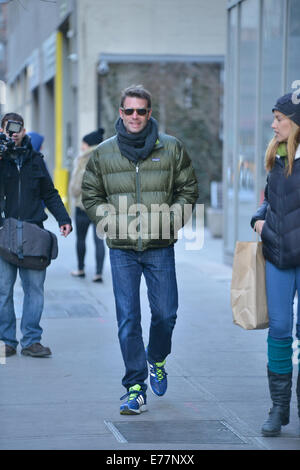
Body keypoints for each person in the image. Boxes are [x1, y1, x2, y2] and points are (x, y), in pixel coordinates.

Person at [82, 85, 198, 414]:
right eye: (129, 111)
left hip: (160, 246)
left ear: (150, 113)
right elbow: (90, 195)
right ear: (121, 113)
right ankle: (135, 386)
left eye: (141, 111)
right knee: (128, 318)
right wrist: (114, 224)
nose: (135, 117)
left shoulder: (171, 148)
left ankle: (156, 358)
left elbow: (188, 189)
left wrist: (170, 221)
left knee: (165, 314)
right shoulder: (103, 153)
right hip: (121, 249)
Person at [0, 112, 72, 358]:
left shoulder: (35, 159)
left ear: (24, 131)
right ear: (1, 130)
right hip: (3, 233)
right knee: (3, 290)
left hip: (33, 232)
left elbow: (49, 192)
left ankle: (31, 340)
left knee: (34, 290)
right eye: (9, 129)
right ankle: (6, 341)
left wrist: (63, 219)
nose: (13, 133)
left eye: (17, 129)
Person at [251, 92, 300, 437]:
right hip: (279, 257)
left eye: (280, 118)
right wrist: (258, 221)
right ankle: (279, 408)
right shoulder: (277, 157)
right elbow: (268, 201)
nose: (273, 124)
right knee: (279, 330)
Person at [69, 129, 105, 282]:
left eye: (83, 143)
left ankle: (80, 269)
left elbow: (76, 187)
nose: (82, 146)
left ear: (89, 144)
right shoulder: (106, 157)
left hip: (83, 207)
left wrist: (74, 193)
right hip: (101, 208)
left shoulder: (83, 160)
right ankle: (98, 273)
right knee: (99, 240)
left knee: (81, 239)